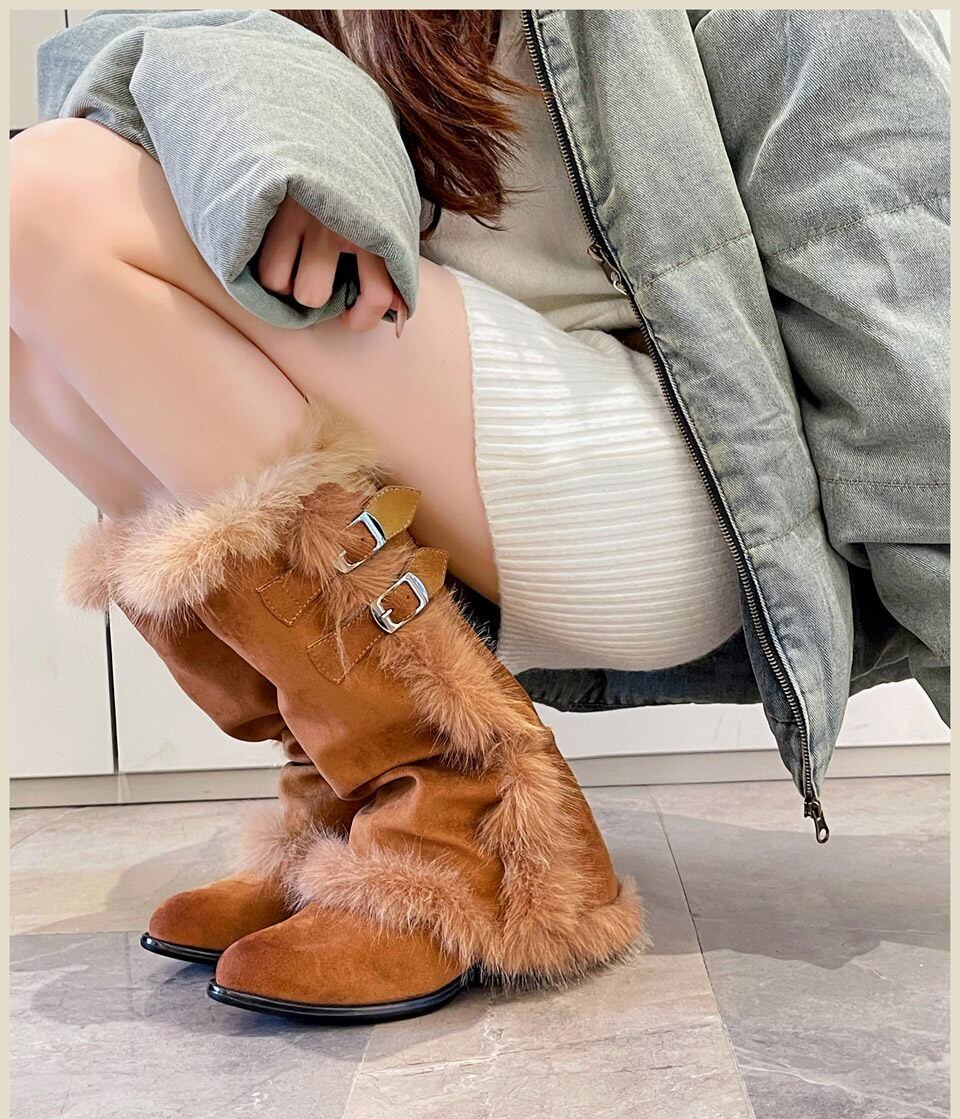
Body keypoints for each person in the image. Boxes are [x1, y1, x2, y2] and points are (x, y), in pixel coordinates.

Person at [10, 9, 949, 1022]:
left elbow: (903, 323)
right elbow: (118, 63)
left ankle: (465, 824)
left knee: (54, 195)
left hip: (673, 484)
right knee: (36, 307)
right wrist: (285, 134)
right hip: (468, 454)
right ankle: (355, 792)